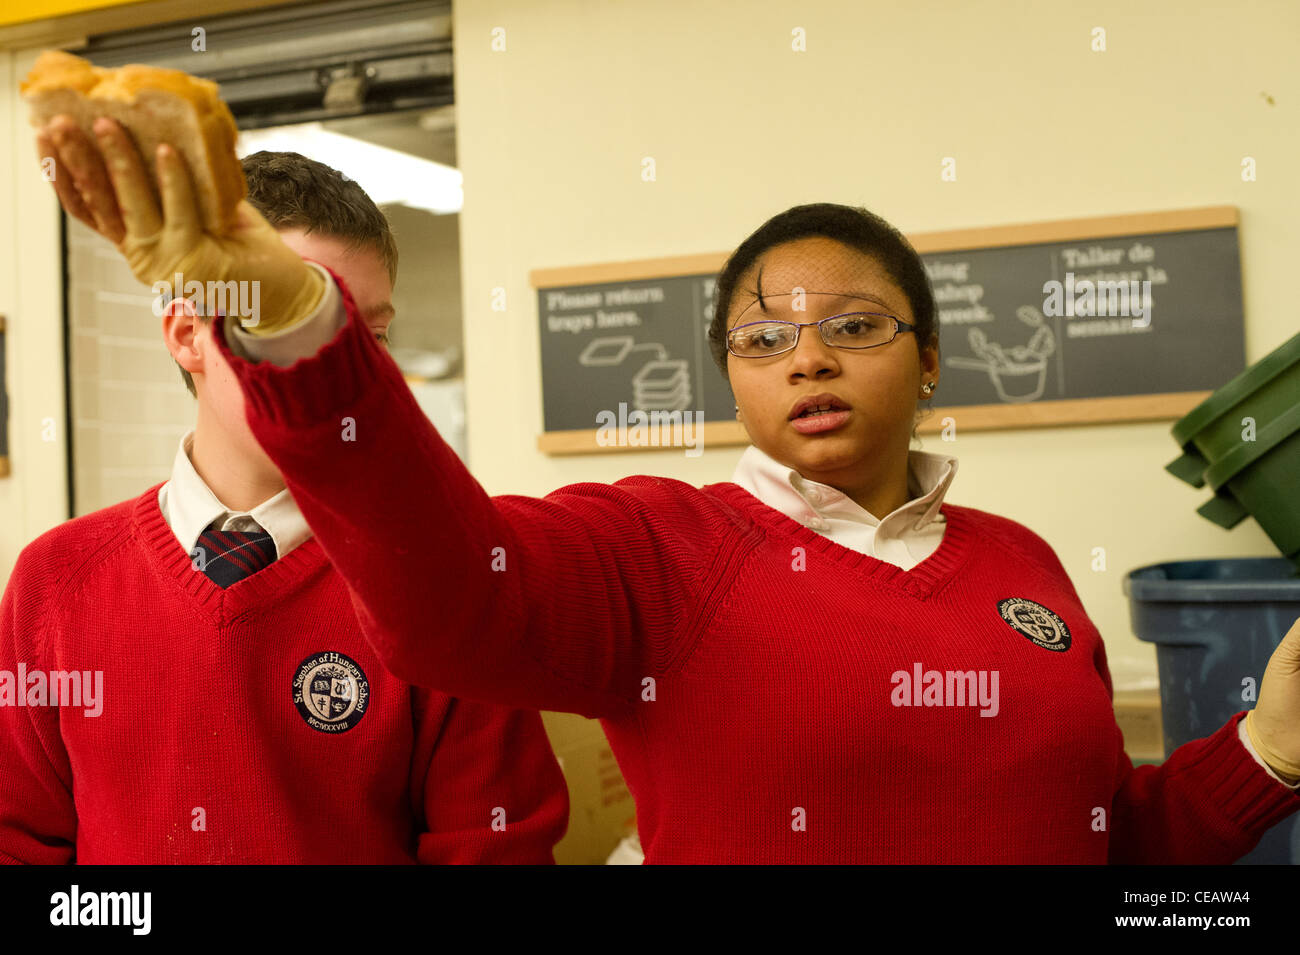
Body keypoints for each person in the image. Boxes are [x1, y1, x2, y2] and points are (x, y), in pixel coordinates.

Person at [39, 115, 1300, 864]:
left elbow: (1118, 848)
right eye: (761, 339)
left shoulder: (1022, 563)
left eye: (851, 324)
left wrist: (1267, 751)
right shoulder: (657, 549)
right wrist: (304, 341)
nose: (804, 353)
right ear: (729, 383)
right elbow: (441, 594)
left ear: (928, 355)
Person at [0, 136, 569, 863]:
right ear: (186, 333)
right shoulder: (55, 581)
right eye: (290, 323)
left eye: (372, 337)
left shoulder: (443, 576)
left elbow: (498, 852)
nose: (340, 367)